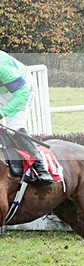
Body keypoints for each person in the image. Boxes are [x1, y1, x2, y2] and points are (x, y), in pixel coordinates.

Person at [0, 51, 53, 184]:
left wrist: (2, 112)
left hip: (23, 89)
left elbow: (22, 94)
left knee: (14, 127)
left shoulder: (2, 65)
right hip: (4, 90)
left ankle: (40, 167)